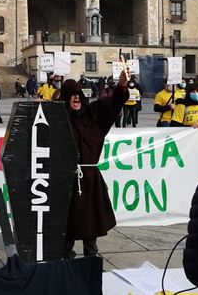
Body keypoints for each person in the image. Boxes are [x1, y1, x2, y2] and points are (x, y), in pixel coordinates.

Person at [60, 68, 130, 259]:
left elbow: (112, 104)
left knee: (90, 221)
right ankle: (66, 258)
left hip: (89, 179)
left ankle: (91, 259)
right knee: (67, 222)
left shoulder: (92, 115)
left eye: (78, 94)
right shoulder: (58, 118)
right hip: (66, 180)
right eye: (71, 95)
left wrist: (122, 85)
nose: (75, 98)